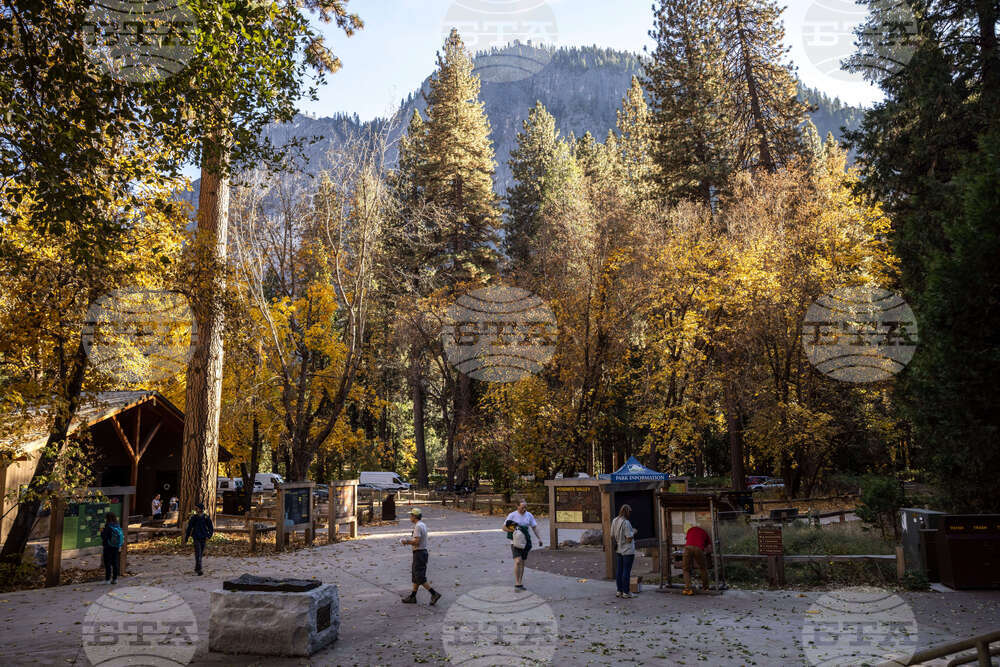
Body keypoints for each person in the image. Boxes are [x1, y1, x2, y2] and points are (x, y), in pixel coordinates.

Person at [399, 508, 441, 605]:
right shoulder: (422, 524)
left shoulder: (418, 526)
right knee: (415, 576)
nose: (410, 517)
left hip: (419, 553)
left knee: (420, 577)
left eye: (411, 515)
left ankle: (434, 594)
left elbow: (416, 542)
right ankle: (413, 597)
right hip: (421, 553)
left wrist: (406, 541)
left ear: (414, 516)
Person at [505, 499, 543, 590]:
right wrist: (516, 531)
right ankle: (517, 583)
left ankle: (520, 583)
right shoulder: (512, 515)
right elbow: (504, 528)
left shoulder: (529, 515)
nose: (524, 509)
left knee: (522, 562)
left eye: (525, 507)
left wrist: (539, 538)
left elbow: (534, 527)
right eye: (522, 507)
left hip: (525, 542)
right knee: (518, 561)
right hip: (515, 542)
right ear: (517, 506)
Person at [611, 504, 637, 598]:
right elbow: (629, 538)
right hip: (628, 550)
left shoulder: (615, 520)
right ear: (627, 512)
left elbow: (612, 535)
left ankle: (619, 590)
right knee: (626, 571)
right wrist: (634, 531)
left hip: (619, 549)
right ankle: (626, 592)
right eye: (630, 512)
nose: (630, 514)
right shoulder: (626, 523)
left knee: (619, 571)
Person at [183, 502, 214, 576]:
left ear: (201, 509)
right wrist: (186, 538)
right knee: (198, 553)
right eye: (195, 508)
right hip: (196, 537)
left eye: (197, 508)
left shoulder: (206, 517)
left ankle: (197, 568)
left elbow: (210, 527)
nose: (196, 509)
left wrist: (209, 535)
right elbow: (189, 528)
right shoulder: (194, 518)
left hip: (203, 537)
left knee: (200, 553)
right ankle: (199, 569)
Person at [682, 524, 712, 595]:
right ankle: (705, 587)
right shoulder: (704, 533)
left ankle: (688, 589)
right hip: (699, 549)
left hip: (688, 548)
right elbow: (709, 548)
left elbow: (687, 539)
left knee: (686, 569)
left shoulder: (690, 530)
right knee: (703, 568)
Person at [100, 512, 124, 584]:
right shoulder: (117, 525)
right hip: (116, 547)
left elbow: (104, 537)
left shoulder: (108, 526)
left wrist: (102, 532)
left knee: (108, 563)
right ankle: (115, 579)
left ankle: (107, 579)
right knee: (115, 562)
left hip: (108, 547)